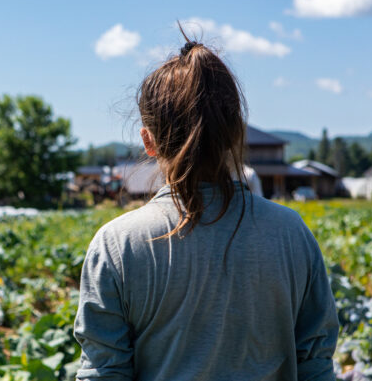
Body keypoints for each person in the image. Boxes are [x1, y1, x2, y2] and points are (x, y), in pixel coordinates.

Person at [73, 33, 339, 380]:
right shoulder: (291, 234)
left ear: (148, 141)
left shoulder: (117, 245)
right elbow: (316, 366)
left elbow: (104, 373)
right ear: (233, 134)